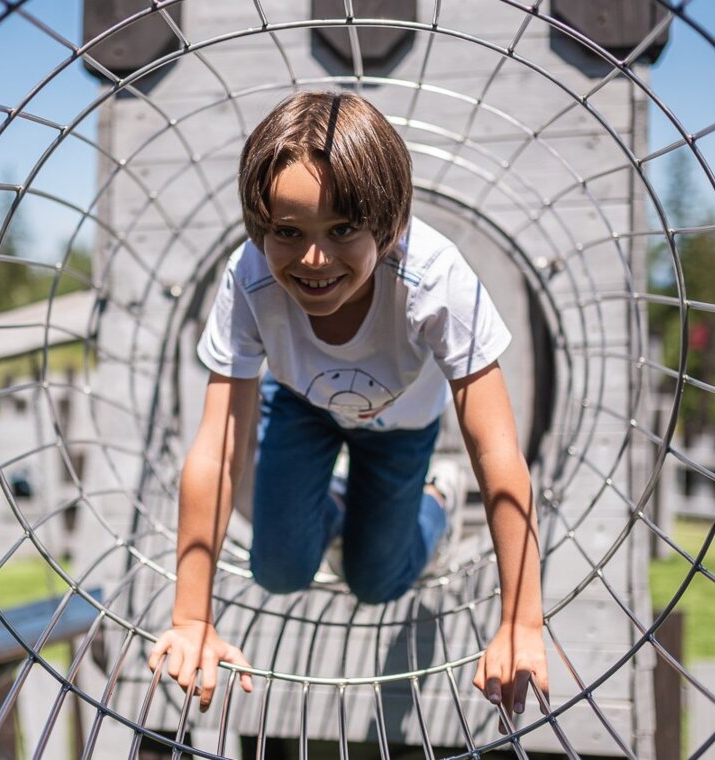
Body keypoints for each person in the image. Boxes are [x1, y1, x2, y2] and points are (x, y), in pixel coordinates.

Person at [148, 91, 548, 724]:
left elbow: (497, 449)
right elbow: (218, 444)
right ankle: (330, 500)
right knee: (278, 568)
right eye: (288, 231)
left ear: (387, 227)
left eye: (341, 230)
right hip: (302, 405)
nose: (313, 258)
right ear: (259, 227)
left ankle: (435, 501)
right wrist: (192, 617)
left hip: (401, 425)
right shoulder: (249, 280)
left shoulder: (434, 277)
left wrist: (521, 619)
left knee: (377, 579)